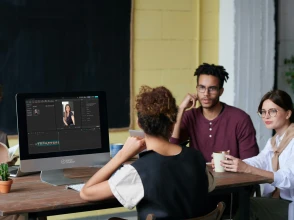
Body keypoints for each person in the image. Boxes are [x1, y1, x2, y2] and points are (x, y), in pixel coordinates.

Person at [80, 85, 215, 219]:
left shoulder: (137, 172)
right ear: (173, 123)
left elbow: (86, 193)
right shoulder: (197, 158)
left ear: (139, 123)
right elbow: (208, 186)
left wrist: (122, 155)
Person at [221, 90, 294, 220]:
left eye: (272, 111)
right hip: (279, 199)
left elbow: (289, 179)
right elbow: (260, 160)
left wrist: (247, 168)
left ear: (288, 113)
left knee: (249, 205)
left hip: (290, 204)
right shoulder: (274, 141)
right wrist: (232, 163)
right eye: (263, 112)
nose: (266, 116)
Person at [170, 63, 259, 162]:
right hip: (197, 177)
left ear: (221, 91)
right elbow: (171, 148)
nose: (206, 94)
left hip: (231, 177)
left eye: (212, 89)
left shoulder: (240, 119)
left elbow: (251, 163)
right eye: (202, 88)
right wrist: (181, 109)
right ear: (196, 89)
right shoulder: (190, 116)